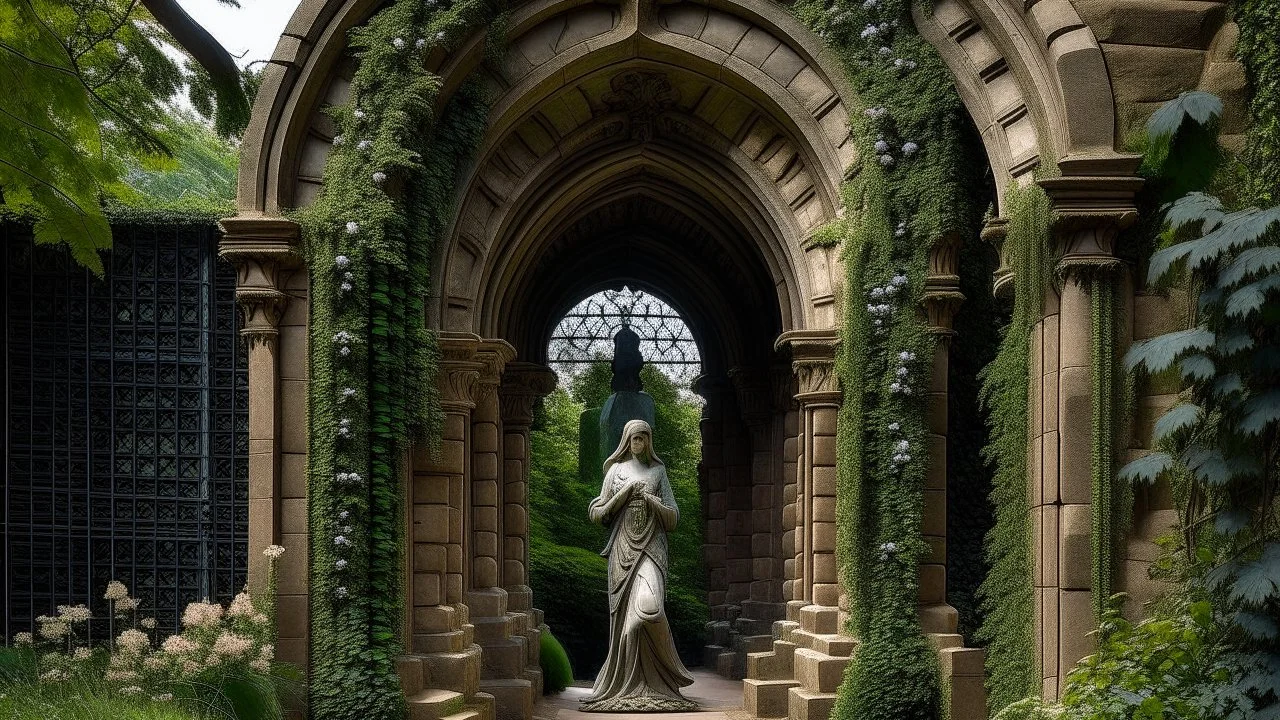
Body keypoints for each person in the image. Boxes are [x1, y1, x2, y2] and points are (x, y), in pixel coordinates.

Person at [581, 419, 697, 712]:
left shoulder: (658, 472)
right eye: (633, 439)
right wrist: (624, 493)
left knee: (650, 608)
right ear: (626, 441)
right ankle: (626, 684)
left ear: (649, 442)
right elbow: (597, 514)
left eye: (643, 439)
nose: (638, 444)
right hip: (622, 550)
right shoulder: (615, 471)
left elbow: (673, 518)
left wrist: (651, 500)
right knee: (625, 619)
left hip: (652, 548)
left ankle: (666, 675)